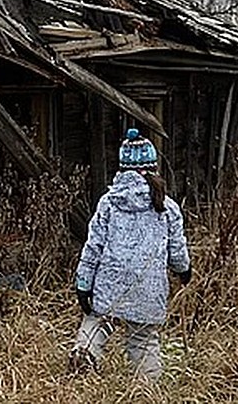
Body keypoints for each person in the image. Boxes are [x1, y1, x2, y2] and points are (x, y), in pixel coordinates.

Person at [70, 128, 191, 380]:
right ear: (153, 166)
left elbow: (93, 247)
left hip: (110, 286)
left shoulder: (109, 202)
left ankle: (83, 359)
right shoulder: (167, 206)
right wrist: (183, 270)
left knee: (96, 323)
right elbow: (177, 251)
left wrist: (83, 283)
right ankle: (147, 390)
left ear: (122, 168)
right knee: (144, 341)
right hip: (149, 289)